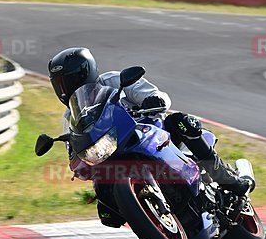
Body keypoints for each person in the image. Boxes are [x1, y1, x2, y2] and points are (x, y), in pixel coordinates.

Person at [47, 47, 253, 222]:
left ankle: (227, 179)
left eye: (71, 80)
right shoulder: (70, 117)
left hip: (149, 131)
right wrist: (77, 162)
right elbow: (74, 151)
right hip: (113, 152)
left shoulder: (113, 80)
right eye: (60, 84)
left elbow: (155, 94)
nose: (66, 88)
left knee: (181, 122)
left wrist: (154, 101)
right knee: (106, 207)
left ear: (87, 72)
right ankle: (145, 211)